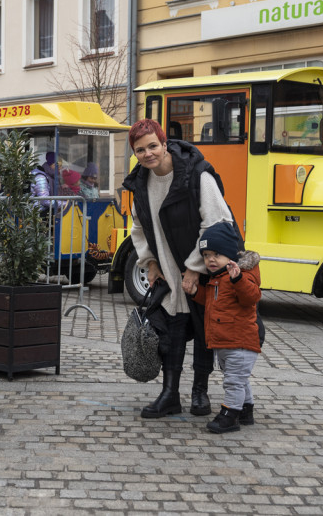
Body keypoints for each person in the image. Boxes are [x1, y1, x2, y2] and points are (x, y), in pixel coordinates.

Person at [124, 118, 235, 419]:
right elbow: (138, 228)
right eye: (140, 150)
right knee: (171, 330)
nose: (148, 154)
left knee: (202, 330)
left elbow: (216, 222)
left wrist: (194, 267)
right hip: (168, 272)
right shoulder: (141, 184)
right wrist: (149, 262)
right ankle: (170, 394)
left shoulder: (196, 175)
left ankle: (200, 392)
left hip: (203, 268)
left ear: (164, 142)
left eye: (152, 146)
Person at [186, 222, 262, 434]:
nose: (210, 259)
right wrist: (195, 293)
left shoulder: (240, 275)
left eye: (216, 254)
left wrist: (237, 279)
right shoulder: (217, 279)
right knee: (240, 381)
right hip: (226, 343)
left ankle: (230, 415)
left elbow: (252, 297)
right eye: (206, 255)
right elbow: (212, 303)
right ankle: (246, 410)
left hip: (240, 343)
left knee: (233, 383)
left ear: (230, 254)